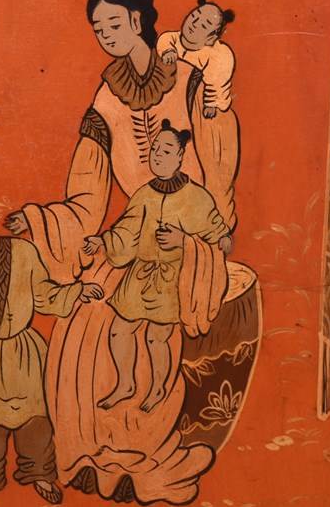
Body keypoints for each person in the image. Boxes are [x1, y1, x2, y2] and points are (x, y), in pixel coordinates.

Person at [5, 0, 238, 505]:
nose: (105, 36)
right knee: (84, 328)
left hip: (187, 239)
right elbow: (87, 191)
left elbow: (218, 158)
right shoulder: (106, 99)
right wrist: (42, 221)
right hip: (132, 236)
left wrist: (207, 234)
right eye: (97, 29)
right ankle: (93, 457)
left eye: (112, 25)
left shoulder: (189, 79)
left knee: (155, 335)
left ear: (137, 20)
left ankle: (147, 457)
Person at [0, 193, 105, 507]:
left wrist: (76, 291)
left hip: (25, 349)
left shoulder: (22, 250)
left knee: (36, 417)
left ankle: (41, 474)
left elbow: (42, 293)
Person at [85, 122, 231, 414]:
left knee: (156, 336)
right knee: (119, 330)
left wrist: (184, 241)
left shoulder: (198, 197)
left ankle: (157, 388)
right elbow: (126, 231)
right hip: (140, 276)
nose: (158, 156)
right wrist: (103, 241)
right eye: (155, 149)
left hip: (173, 279)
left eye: (166, 151)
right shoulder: (144, 195)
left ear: (180, 157)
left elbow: (223, 241)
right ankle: (125, 384)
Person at [156, 0, 241, 229]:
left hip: (207, 107)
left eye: (204, 25)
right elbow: (164, 41)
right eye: (194, 16)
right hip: (178, 106)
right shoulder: (175, 39)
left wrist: (211, 103)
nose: (195, 23)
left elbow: (217, 82)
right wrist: (167, 52)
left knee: (211, 164)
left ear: (212, 37)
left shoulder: (218, 55)